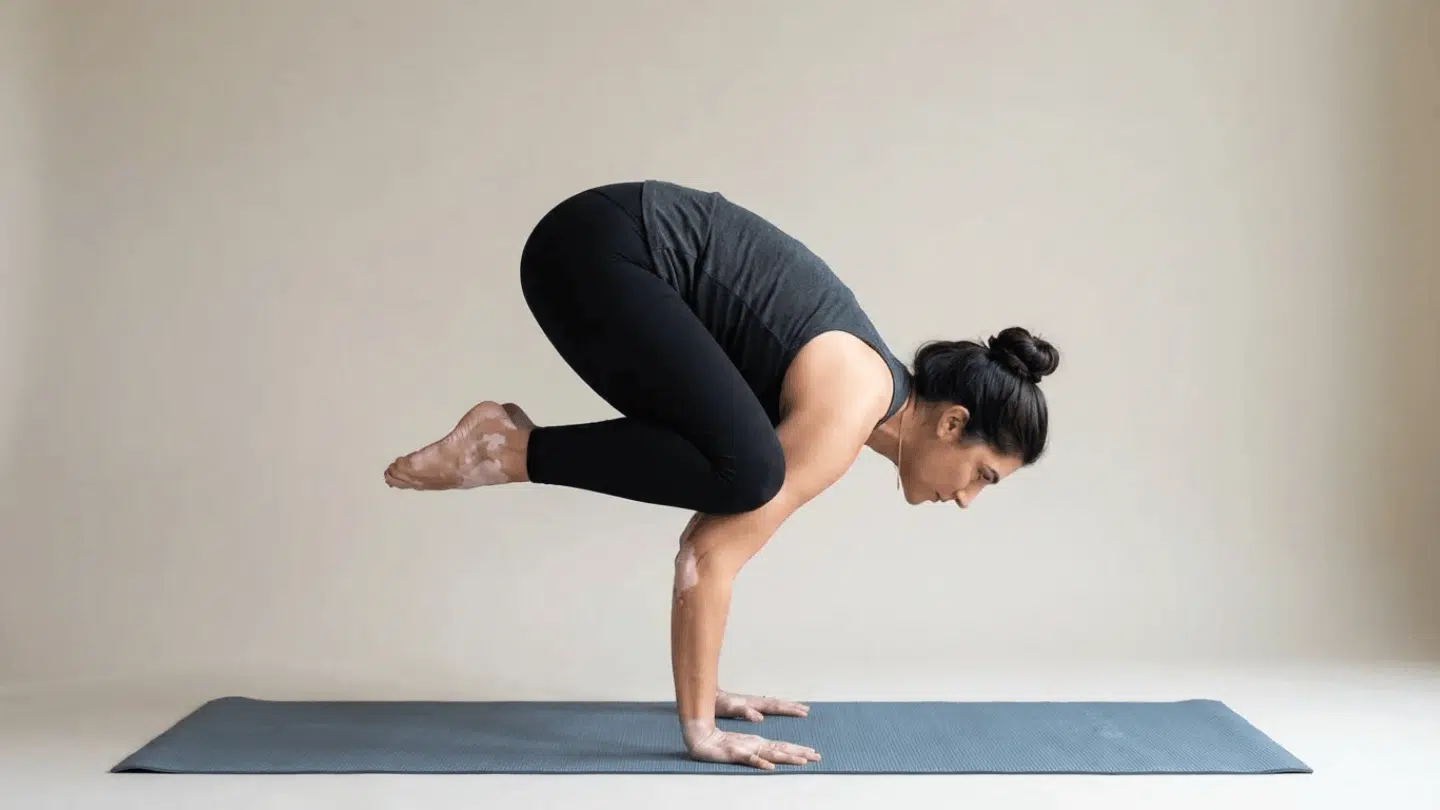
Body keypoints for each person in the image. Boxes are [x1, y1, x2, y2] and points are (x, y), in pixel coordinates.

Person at [383, 180, 1059, 771]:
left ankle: (507, 448)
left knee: (737, 466)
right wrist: (700, 731)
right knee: (749, 474)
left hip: (585, 248)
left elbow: (708, 535)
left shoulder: (855, 399)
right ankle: (505, 449)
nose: (967, 499)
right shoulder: (854, 398)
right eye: (983, 475)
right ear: (951, 424)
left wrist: (706, 694)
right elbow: (710, 558)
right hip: (601, 248)